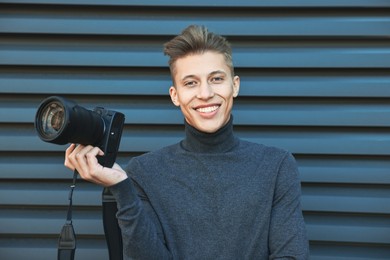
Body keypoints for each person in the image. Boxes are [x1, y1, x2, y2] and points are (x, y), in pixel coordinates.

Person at [65, 25, 309, 259]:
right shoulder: (144, 172)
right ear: (175, 95)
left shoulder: (277, 166)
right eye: (191, 83)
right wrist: (122, 189)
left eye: (216, 79)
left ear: (234, 86)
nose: (205, 93)